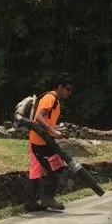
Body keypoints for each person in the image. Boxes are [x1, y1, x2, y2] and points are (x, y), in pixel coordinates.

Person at [25, 73, 75, 212]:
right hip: (41, 142)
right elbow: (39, 117)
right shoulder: (50, 98)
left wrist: (54, 130)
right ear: (60, 87)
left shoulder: (55, 100)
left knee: (36, 170)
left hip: (38, 140)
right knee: (58, 166)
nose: (69, 92)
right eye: (68, 89)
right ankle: (47, 197)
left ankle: (30, 203)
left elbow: (46, 120)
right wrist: (52, 132)